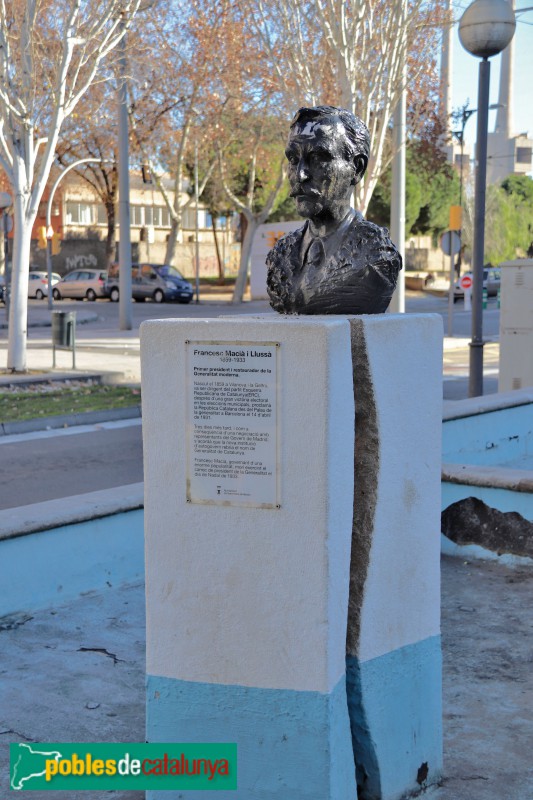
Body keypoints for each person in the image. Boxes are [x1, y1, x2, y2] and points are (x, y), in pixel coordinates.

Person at [267, 105, 402, 315]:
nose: (300, 175)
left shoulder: (376, 257)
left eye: (318, 158)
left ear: (357, 169)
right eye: (293, 160)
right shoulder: (280, 255)